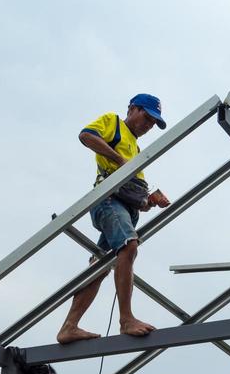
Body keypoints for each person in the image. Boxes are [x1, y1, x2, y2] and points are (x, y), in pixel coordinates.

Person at [56, 94, 171, 344]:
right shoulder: (114, 123)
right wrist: (119, 161)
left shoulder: (137, 149)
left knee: (99, 267)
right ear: (132, 109)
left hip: (123, 208)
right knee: (129, 246)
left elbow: (135, 198)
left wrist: (150, 200)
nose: (148, 125)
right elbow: (86, 135)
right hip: (108, 201)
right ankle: (126, 319)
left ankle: (69, 326)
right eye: (147, 118)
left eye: (153, 123)